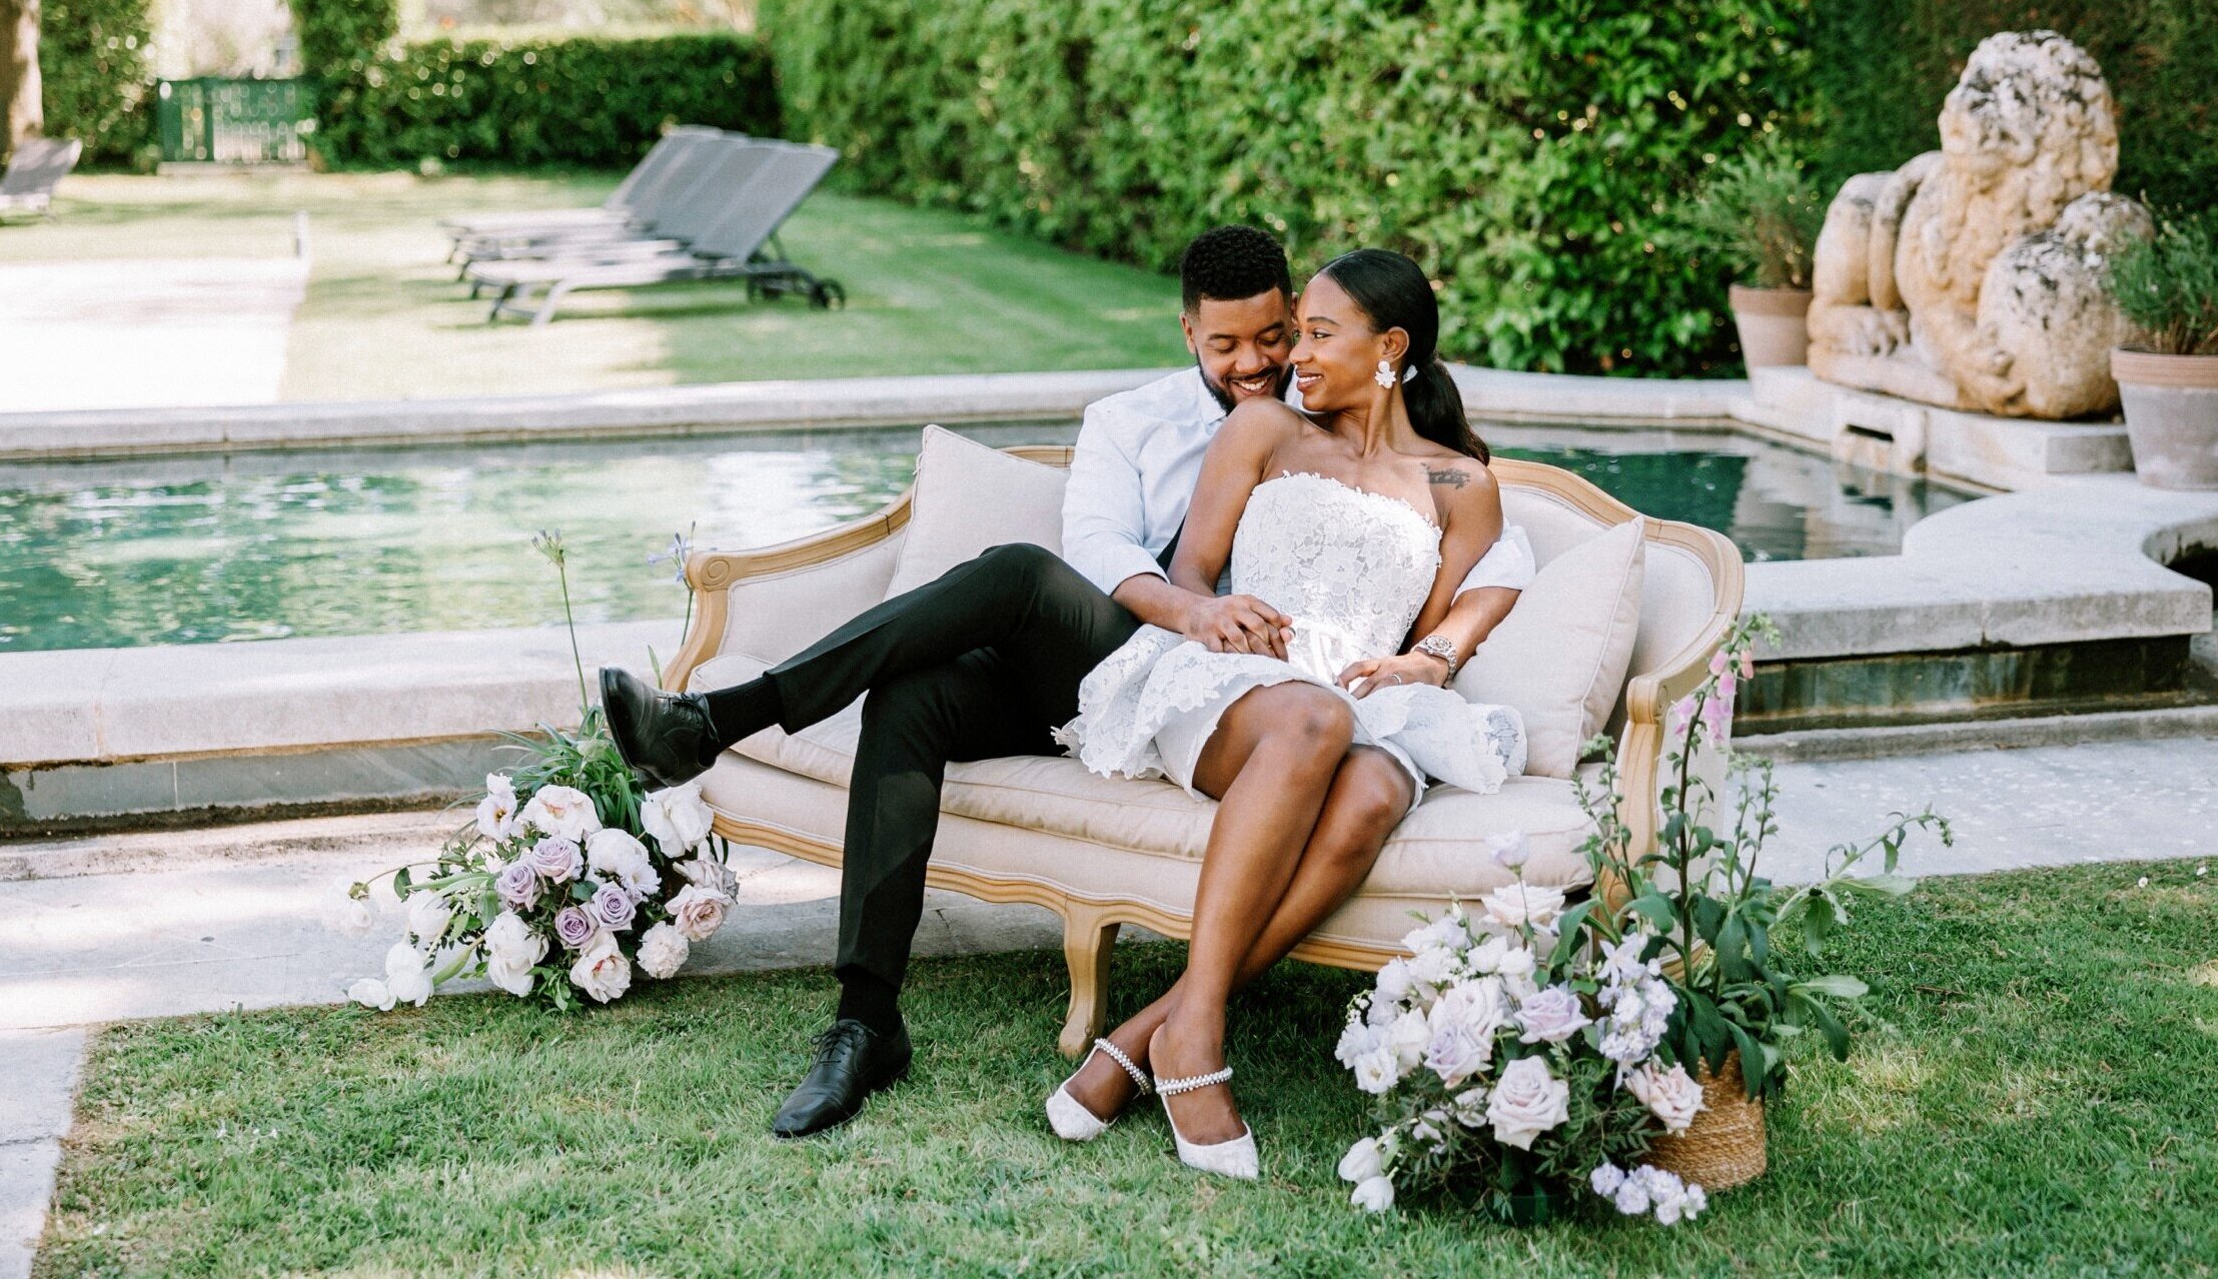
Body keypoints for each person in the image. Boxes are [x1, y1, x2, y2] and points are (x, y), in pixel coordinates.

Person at [596, 226, 1534, 1138]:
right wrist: (1198, 613)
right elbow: (1099, 556)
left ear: (1326, 327)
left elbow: (1488, 557)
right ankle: (864, 1020)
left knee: (986, 623)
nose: (1262, 362)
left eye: (1284, 336)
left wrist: (1438, 650)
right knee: (950, 654)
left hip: (1238, 685)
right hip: (1133, 654)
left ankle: (716, 721)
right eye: (1229, 344)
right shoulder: (1157, 424)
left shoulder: (1424, 466)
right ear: (1188, 334)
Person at [1048, 248, 1521, 1182]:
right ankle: (1200, 1042)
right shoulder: (1262, 429)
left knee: (1380, 783)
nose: (1286, 355)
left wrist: (1424, 659)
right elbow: (1190, 572)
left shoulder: (1460, 483)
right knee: (1311, 721)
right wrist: (1213, 612)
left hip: (1351, 706)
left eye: (1314, 333)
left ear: (1389, 348)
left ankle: (1157, 1030)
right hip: (1229, 685)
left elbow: (1457, 609)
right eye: (1291, 332)